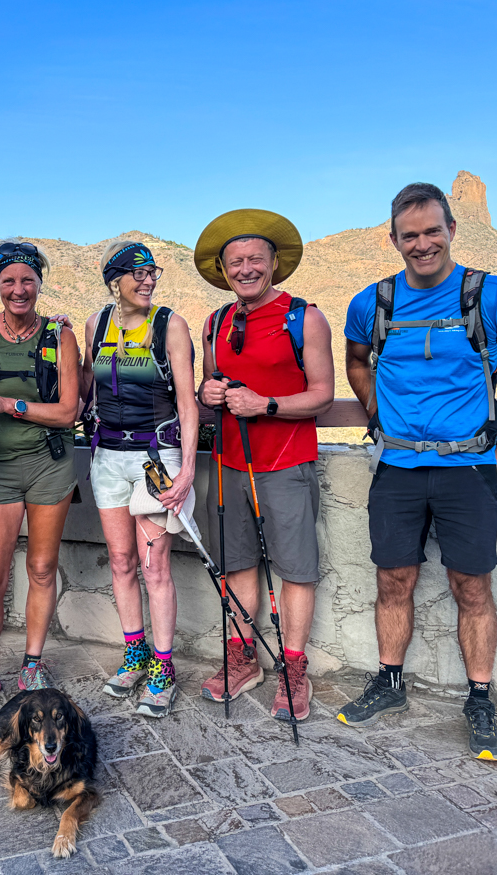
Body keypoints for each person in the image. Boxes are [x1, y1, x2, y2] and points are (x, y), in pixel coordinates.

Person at [340, 182, 497, 761]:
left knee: (471, 587)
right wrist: (376, 410)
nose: (423, 243)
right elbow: (357, 360)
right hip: (398, 467)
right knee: (392, 580)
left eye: (433, 231)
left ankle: (480, 698)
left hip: (469, 468)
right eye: (411, 235)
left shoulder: (491, 296)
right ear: (394, 240)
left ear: (453, 229)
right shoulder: (372, 303)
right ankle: (389, 682)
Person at [194, 209, 335, 721]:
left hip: (286, 462)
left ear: (274, 263)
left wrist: (267, 405)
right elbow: (210, 388)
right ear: (224, 269)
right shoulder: (216, 323)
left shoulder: (305, 317)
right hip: (230, 462)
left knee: (295, 568)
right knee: (235, 565)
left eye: (256, 258)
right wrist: (206, 391)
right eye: (236, 261)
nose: (246, 268)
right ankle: (243, 656)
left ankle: (293, 667)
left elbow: (323, 395)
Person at [0, 241, 81, 716]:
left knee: (42, 569)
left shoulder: (59, 337)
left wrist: (8, 405)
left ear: (40, 284)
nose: (19, 289)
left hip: (49, 466)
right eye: (9, 280)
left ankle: (32, 661)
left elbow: (68, 411)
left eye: (28, 280)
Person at [79, 241, 198, 717]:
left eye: (153, 272)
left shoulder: (171, 325)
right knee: (122, 560)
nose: (148, 280)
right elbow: (85, 387)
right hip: (107, 457)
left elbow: (188, 404)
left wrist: (186, 471)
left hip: (155, 457)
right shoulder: (96, 325)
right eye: (138, 273)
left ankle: (163, 667)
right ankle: (135, 653)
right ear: (115, 280)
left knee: (155, 568)